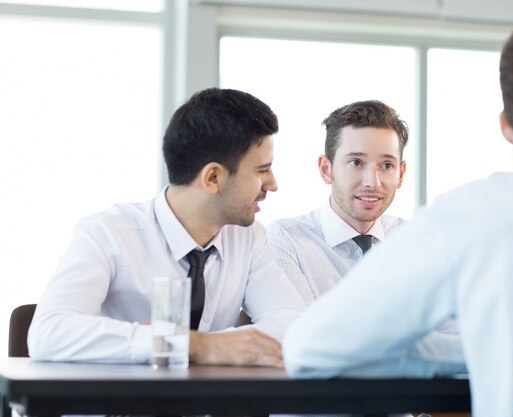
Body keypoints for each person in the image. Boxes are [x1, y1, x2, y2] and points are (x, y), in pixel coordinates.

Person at [283, 14, 513, 417]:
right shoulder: (290, 238)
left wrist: (487, 348)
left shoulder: (469, 214)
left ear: (508, 127)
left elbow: (308, 349)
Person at [28, 87, 305, 367]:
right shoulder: (107, 233)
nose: (273, 184)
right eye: (261, 170)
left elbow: (294, 323)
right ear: (213, 178)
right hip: (118, 407)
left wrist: (211, 346)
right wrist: (193, 344)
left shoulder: (248, 237)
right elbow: (48, 334)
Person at [268, 100, 465, 369]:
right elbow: (308, 347)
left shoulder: (418, 242)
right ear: (326, 169)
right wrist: (414, 344)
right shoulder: (285, 240)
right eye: (356, 162)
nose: (372, 182)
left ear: (401, 173)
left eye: (386, 165)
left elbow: (462, 339)